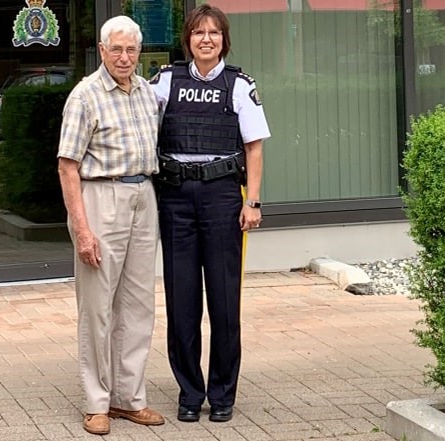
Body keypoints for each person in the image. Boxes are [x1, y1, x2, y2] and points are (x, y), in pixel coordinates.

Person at [150, 3, 271, 424]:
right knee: (182, 301)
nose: (206, 39)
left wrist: (251, 202)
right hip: (176, 197)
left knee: (223, 301)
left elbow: (254, 146)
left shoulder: (239, 85)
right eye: (198, 33)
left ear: (224, 40)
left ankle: (222, 394)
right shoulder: (165, 82)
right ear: (187, 40)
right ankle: (189, 392)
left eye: (214, 33)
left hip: (222, 196)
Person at [56, 15, 164, 436]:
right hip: (101, 197)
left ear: (139, 52)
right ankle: (96, 402)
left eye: (131, 49)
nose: (124, 57)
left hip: (143, 197)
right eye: (116, 49)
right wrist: (82, 230)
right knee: (98, 307)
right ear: (102, 50)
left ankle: (128, 398)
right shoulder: (85, 95)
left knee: (138, 306)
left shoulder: (144, 91)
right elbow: (67, 167)